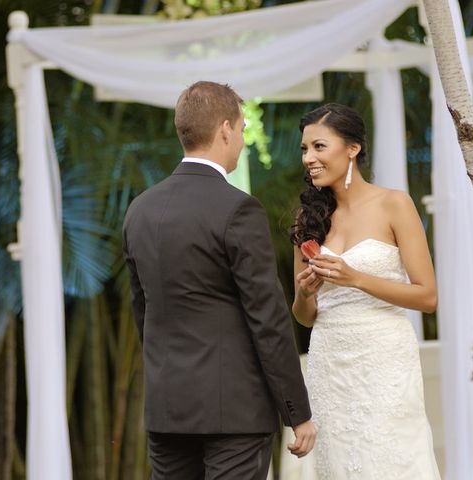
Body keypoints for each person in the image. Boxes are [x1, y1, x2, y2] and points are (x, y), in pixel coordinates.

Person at [123, 81, 316, 480]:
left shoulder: (138, 211)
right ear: (225, 129)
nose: (242, 140)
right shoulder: (238, 209)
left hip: (167, 409)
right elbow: (268, 318)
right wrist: (297, 412)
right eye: (243, 130)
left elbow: (142, 310)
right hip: (235, 411)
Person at [290, 103, 441, 479]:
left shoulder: (394, 204)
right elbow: (304, 317)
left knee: (392, 458)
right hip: (329, 362)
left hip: (384, 358)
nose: (309, 158)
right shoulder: (307, 218)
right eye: (305, 149)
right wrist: (306, 293)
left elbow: (427, 297)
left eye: (319, 147)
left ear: (352, 148)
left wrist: (355, 277)